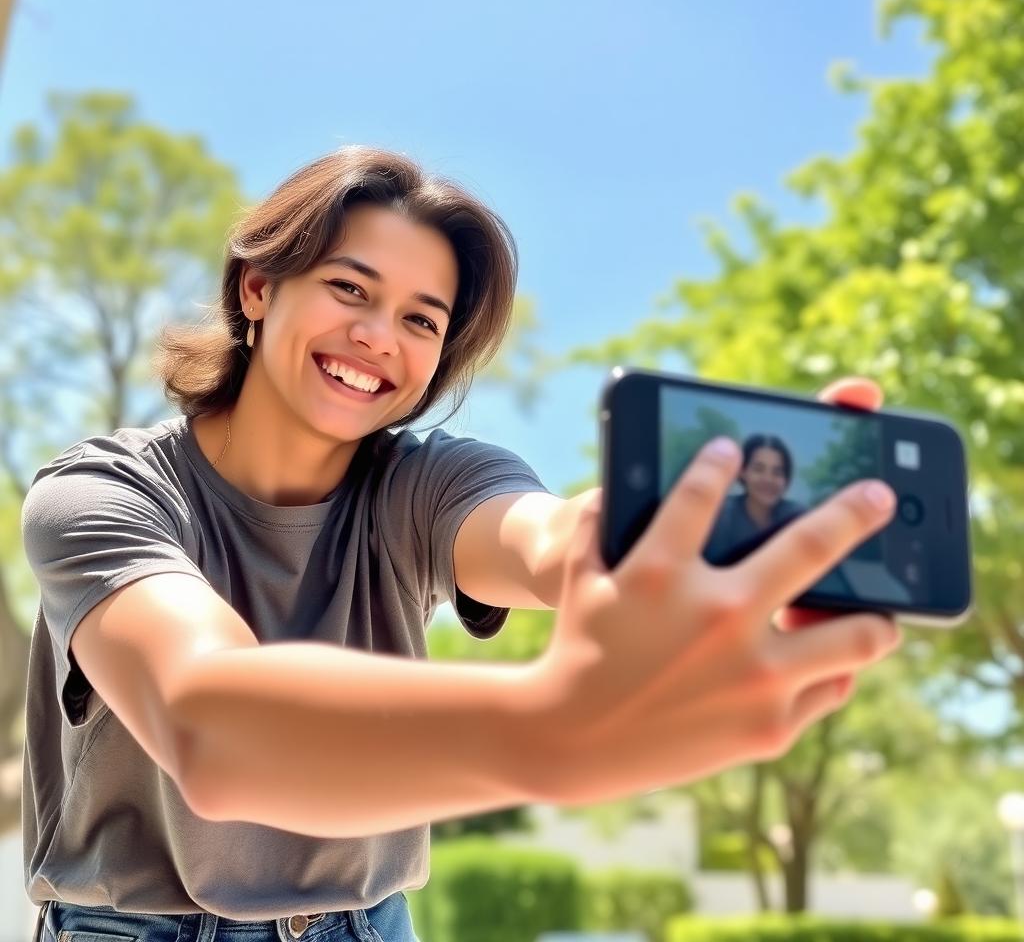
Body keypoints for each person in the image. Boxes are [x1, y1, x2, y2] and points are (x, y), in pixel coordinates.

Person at [20, 146, 902, 942]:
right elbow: (210, 724)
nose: (377, 338)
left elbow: (546, 538)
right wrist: (556, 729)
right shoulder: (101, 494)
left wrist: (678, 531)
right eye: (350, 289)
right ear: (257, 289)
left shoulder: (425, 483)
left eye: (421, 320)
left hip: (367, 926)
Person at [703, 433, 806, 566]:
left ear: (786, 479)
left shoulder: (797, 517)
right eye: (758, 469)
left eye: (777, 472)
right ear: (743, 472)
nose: (768, 479)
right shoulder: (720, 515)